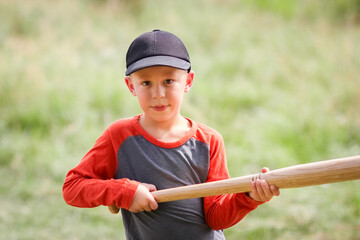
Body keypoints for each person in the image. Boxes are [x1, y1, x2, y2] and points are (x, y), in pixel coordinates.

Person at [62, 29, 280, 239]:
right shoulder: (119, 137)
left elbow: (216, 218)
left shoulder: (208, 141)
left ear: (188, 81)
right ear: (131, 86)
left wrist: (248, 197)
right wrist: (124, 192)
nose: (158, 94)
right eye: (146, 83)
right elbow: (72, 188)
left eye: (169, 81)